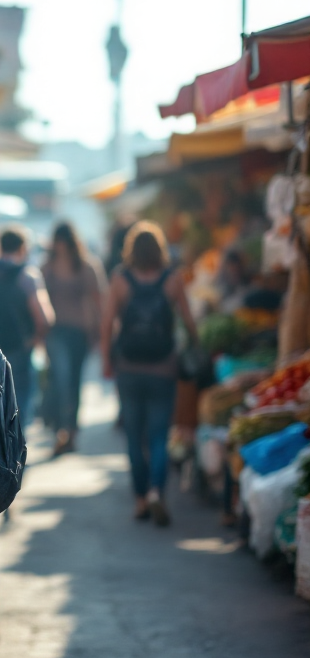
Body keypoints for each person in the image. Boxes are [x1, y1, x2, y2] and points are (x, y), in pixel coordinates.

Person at [101, 221, 198, 525]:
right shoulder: (173, 279)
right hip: (163, 367)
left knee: (133, 435)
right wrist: (195, 347)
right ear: (160, 249)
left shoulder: (120, 279)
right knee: (158, 435)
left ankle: (140, 500)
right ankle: (157, 491)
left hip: (128, 367)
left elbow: (107, 324)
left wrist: (107, 360)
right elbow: (189, 322)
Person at [42, 222, 105, 455]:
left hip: (79, 332)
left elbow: (99, 299)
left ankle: (70, 429)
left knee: (74, 382)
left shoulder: (87, 266)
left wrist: (102, 332)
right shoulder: (47, 267)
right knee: (60, 379)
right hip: (56, 331)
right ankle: (61, 429)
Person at [0, 226, 53, 427]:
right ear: (22, 248)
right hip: (20, 348)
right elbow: (45, 318)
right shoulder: (27, 275)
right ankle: (17, 451)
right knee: (20, 403)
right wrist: (34, 341)